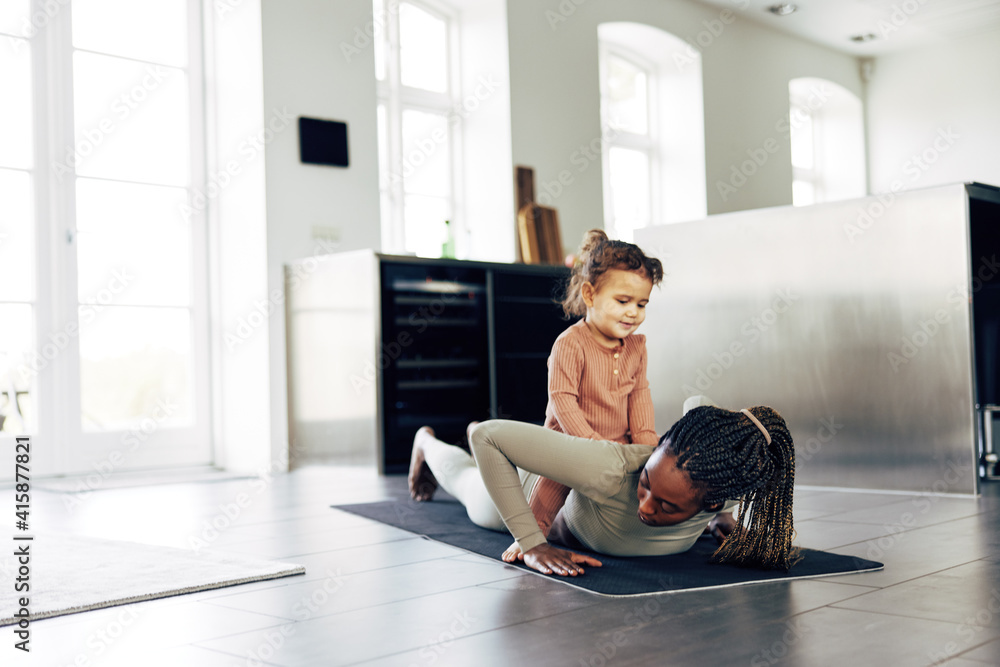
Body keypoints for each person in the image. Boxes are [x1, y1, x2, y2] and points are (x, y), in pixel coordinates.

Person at [407, 398, 798, 576]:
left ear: (713, 501)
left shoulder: (727, 483)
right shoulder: (613, 469)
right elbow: (490, 439)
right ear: (658, 448)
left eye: (666, 507)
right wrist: (533, 542)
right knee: (465, 481)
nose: (646, 507)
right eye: (645, 485)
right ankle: (426, 441)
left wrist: (720, 520)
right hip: (530, 496)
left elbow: (698, 401)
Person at [506, 229, 663, 561]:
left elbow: (639, 396)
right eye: (623, 302)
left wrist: (647, 447)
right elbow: (563, 401)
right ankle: (529, 539)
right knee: (552, 486)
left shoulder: (637, 347)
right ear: (590, 295)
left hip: (618, 444)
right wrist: (590, 448)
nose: (633, 312)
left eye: (641, 304)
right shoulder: (570, 343)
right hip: (571, 443)